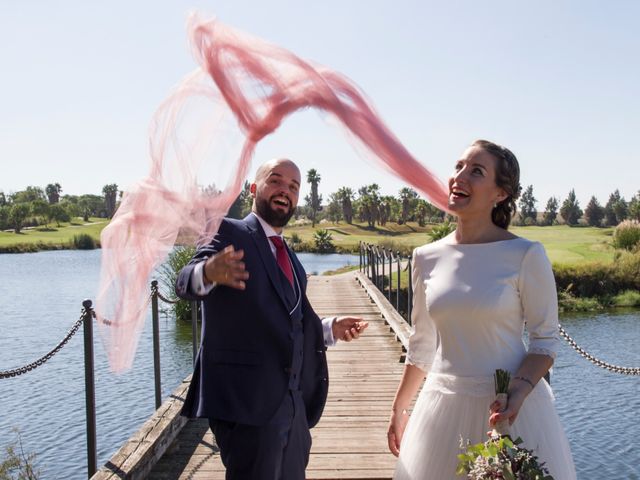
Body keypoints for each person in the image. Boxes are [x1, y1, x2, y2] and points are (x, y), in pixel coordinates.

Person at [387, 140, 576, 479]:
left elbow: (545, 342)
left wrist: (517, 394)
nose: (460, 177)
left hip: (510, 412)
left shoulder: (526, 255)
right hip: (440, 410)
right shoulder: (425, 257)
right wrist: (400, 408)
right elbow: (422, 344)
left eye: (476, 171)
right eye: (458, 166)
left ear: (500, 193)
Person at [175, 158, 368, 480]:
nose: (285, 191)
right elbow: (184, 283)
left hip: (293, 406)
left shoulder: (291, 258)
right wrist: (208, 272)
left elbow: (291, 323)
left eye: (293, 187)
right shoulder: (225, 230)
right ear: (254, 188)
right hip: (247, 404)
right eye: (276, 181)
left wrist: (330, 328)